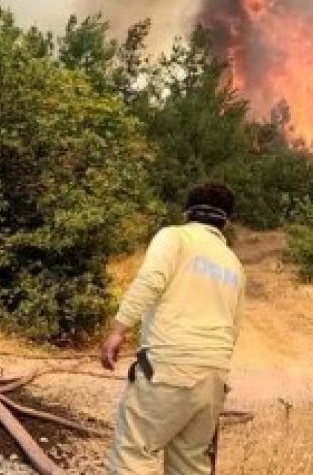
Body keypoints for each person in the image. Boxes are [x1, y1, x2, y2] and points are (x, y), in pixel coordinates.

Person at [100, 182, 245, 475]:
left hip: (169, 366)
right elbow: (235, 325)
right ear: (225, 222)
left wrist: (118, 330)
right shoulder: (233, 263)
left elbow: (150, 281)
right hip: (214, 374)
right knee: (190, 464)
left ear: (186, 212)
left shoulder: (175, 237)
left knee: (134, 454)